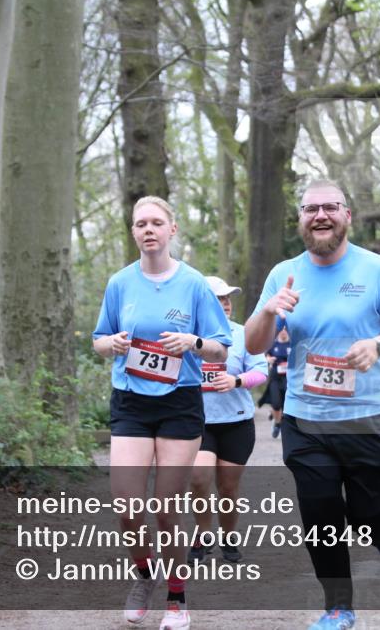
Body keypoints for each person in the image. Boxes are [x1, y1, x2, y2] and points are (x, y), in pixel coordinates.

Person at [245, 179, 380, 630]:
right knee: (320, 511)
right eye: (311, 209)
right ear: (301, 220)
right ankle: (339, 607)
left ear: (347, 215)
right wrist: (268, 311)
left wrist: (379, 345)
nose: (320, 215)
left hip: (365, 418)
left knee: (370, 512)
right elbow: (252, 343)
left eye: (330, 207)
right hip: (306, 419)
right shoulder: (283, 274)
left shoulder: (376, 269)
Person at [93, 196, 232, 630]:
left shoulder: (193, 284)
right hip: (131, 401)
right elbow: (98, 339)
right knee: (127, 507)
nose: (148, 229)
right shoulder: (119, 283)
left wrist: (192, 343)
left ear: (172, 229)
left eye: (156, 222)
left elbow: (221, 349)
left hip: (179, 402)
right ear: (133, 232)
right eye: (140, 223)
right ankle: (144, 575)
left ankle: (176, 596)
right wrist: (111, 344)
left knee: (167, 508)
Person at [187, 275, 268, 564]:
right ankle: (202, 534)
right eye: (217, 299)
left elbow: (261, 372)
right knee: (199, 478)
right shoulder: (188, 336)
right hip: (198, 422)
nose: (225, 304)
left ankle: (229, 536)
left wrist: (236, 380)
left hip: (236, 422)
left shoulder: (243, 335)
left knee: (228, 487)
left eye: (227, 298)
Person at [259, 324, 291, 438]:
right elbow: (265, 356)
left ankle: (279, 421)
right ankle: (277, 423)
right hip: (275, 378)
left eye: (285, 330)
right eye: (281, 330)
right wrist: (269, 359)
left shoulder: (292, 345)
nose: (283, 332)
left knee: (284, 405)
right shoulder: (273, 344)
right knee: (276, 403)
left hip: (288, 379)